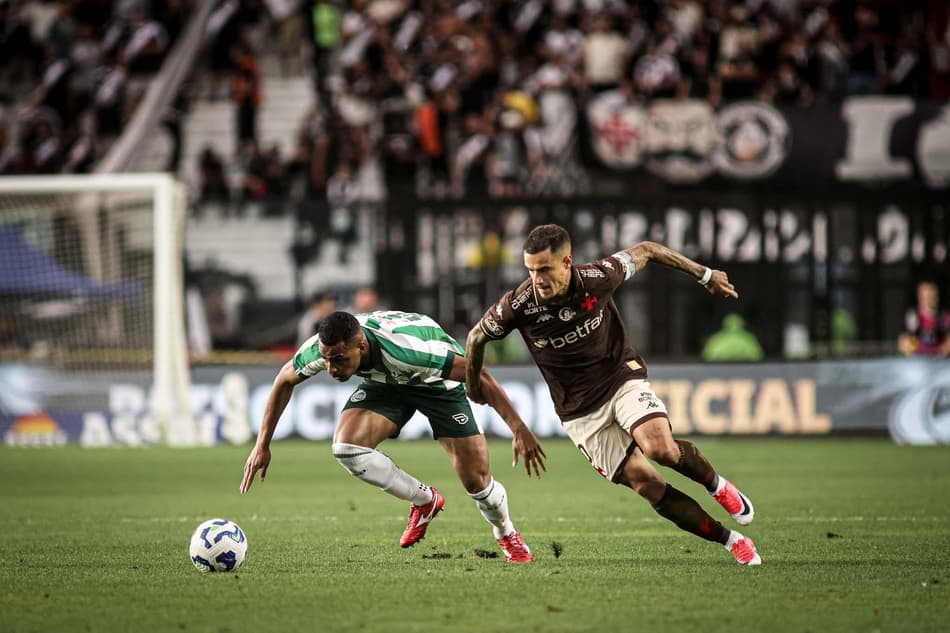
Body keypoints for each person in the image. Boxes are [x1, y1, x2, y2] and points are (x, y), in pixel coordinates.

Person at [466, 224, 762, 566]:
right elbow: (476, 338)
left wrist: (705, 274)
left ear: (567, 262)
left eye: (544, 269)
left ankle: (717, 486)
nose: (537, 279)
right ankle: (731, 540)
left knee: (660, 448)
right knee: (647, 484)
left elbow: (648, 249)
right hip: (579, 412)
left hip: (619, 378)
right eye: (531, 270)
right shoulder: (519, 304)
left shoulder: (598, 277)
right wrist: (473, 385)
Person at [241, 310, 546, 563]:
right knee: (346, 447)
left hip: (434, 382)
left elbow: (479, 374)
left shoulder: (408, 350)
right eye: (328, 360)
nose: (332, 368)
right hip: (386, 383)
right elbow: (284, 380)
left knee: (476, 480)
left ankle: (506, 533)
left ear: (360, 347)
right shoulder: (325, 349)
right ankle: (424, 501)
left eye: (339, 360)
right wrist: (262, 445)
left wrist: (518, 428)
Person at [898, 280, 950, 356]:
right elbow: (903, 341)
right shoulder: (912, 316)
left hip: (940, 362)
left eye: (931, 294)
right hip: (918, 361)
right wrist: (909, 348)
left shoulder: (944, 316)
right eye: (925, 295)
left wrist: (941, 352)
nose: (928, 298)